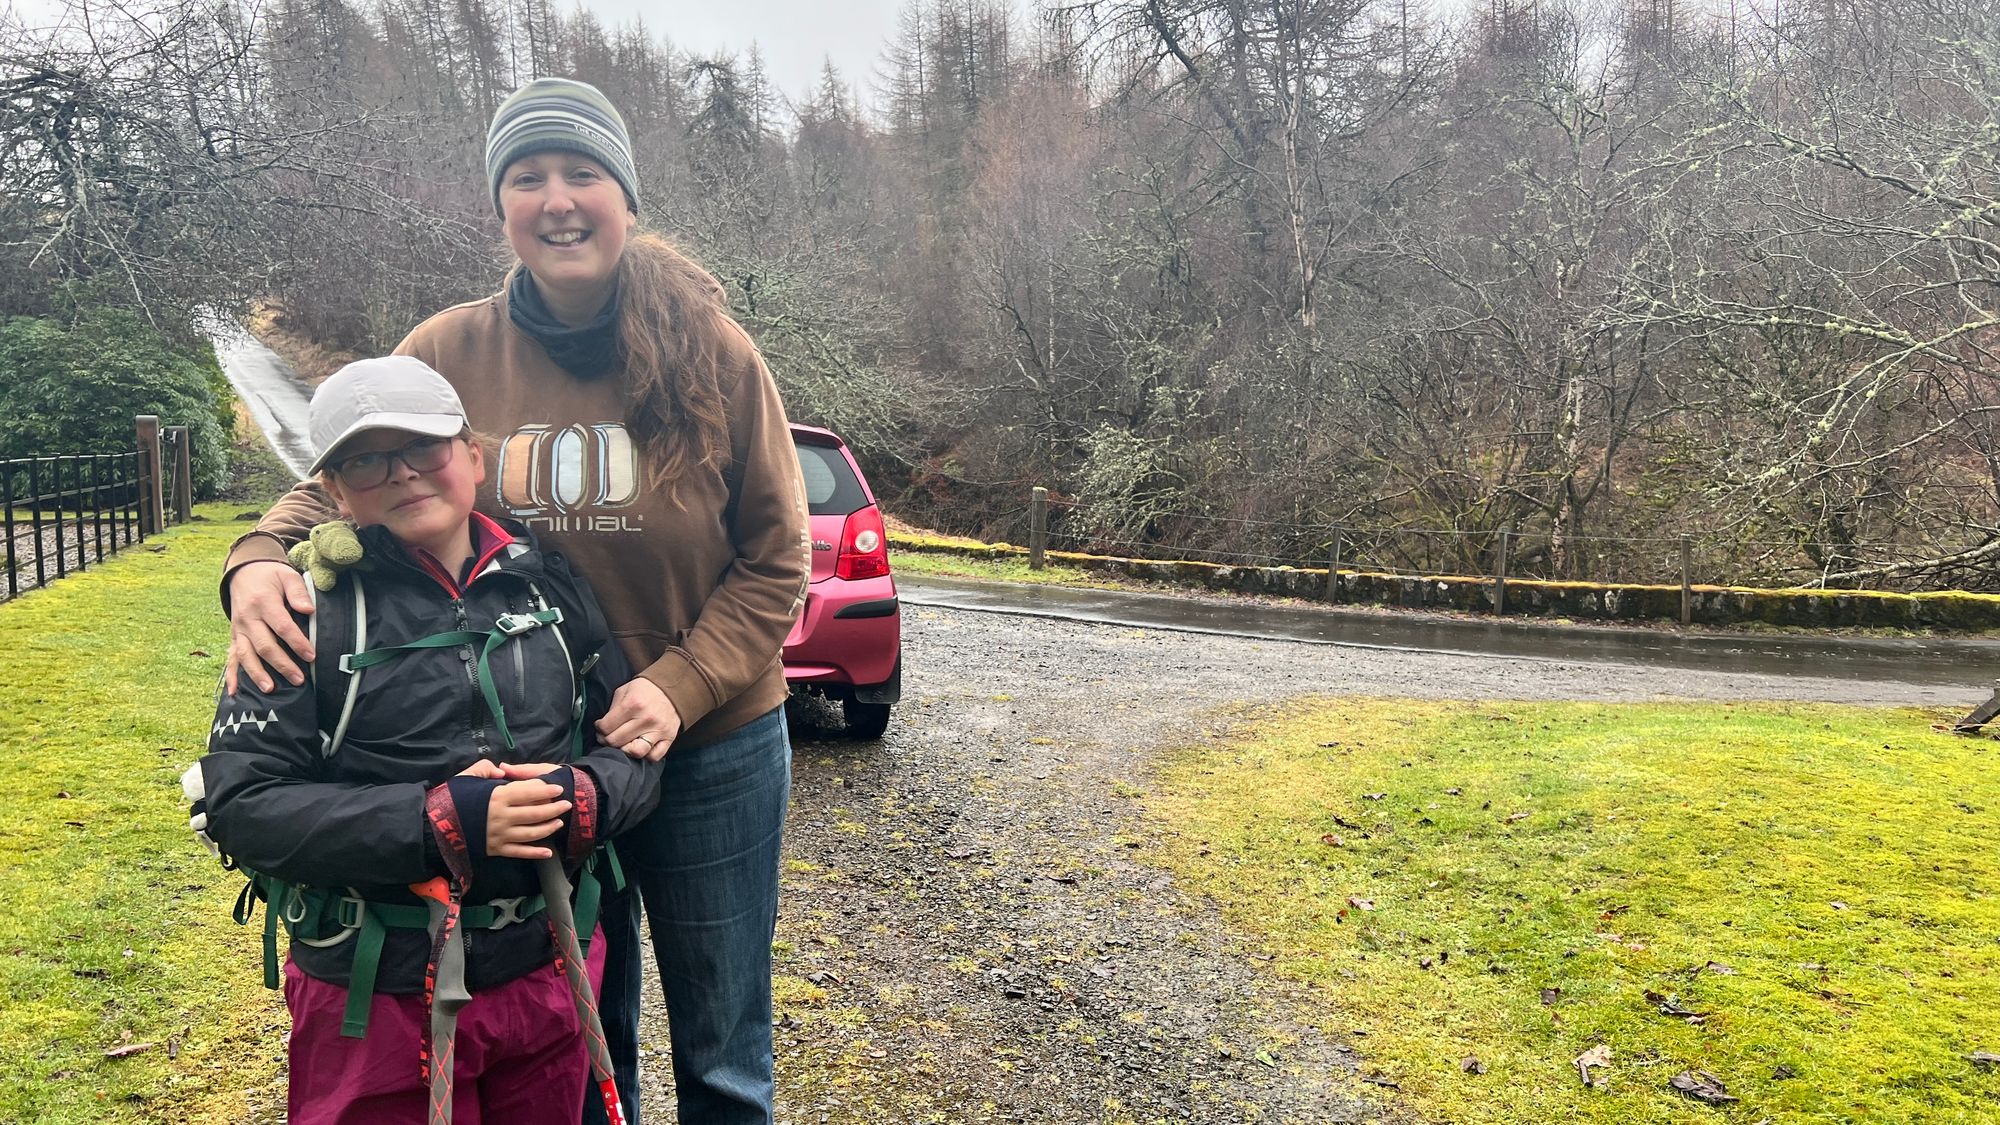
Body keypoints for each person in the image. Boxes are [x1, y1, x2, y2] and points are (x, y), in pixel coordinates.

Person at [220, 77, 810, 1124]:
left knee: (722, 1042)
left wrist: (677, 688)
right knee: (584, 1026)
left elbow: (776, 559)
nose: (557, 198)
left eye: (581, 172)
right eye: (527, 178)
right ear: (502, 208)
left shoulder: (716, 353)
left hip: (713, 741)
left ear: (624, 197)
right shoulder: (447, 349)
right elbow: (347, 471)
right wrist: (261, 554)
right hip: (547, 752)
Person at [193, 356, 663, 1123]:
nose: (404, 473)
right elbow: (242, 803)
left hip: (546, 977)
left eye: (424, 446)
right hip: (375, 992)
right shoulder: (297, 611)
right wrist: (440, 822)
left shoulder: (549, 586)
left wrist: (586, 798)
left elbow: (632, 747)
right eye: (366, 459)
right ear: (334, 491)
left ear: (473, 457)